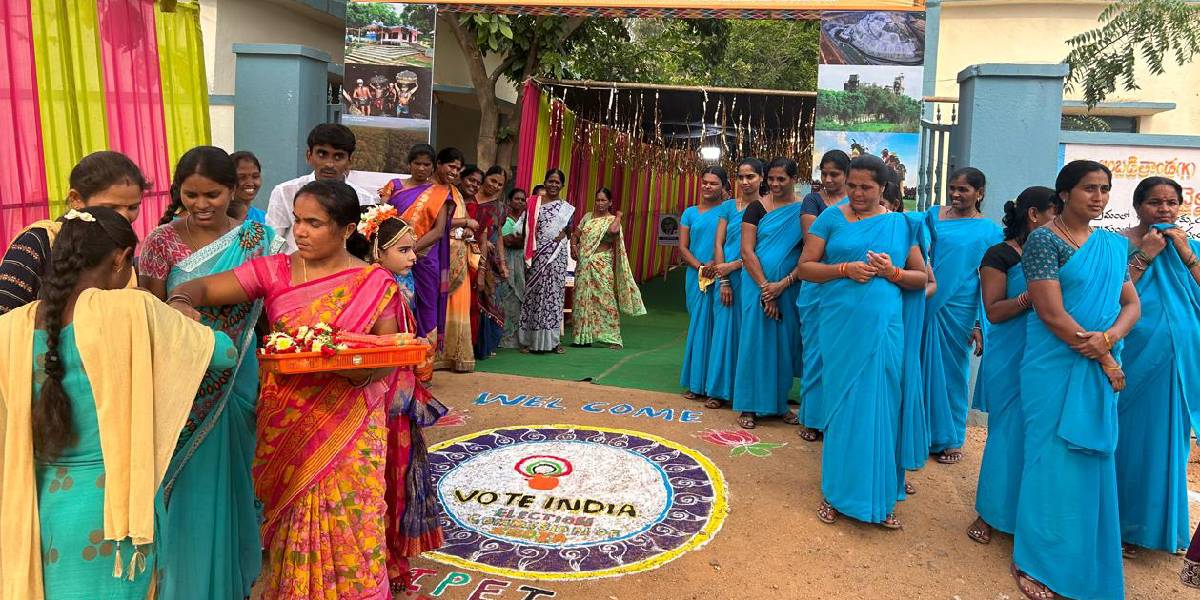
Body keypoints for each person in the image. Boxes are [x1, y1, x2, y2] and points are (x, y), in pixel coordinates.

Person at [165, 180, 413, 599]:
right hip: (288, 427)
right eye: (297, 220)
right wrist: (180, 302)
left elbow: (388, 354)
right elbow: (201, 288)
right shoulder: (275, 270)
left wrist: (360, 373)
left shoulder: (375, 283)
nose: (299, 231)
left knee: (352, 522)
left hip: (350, 429)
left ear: (346, 228)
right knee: (294, 524)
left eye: (314, 223)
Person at [0, 207, 236, 599]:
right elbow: (224, 355)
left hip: (39, 509)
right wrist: (182, 319)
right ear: (121, 258)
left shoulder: (11, 330)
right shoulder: (130, 310)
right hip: (113, 508)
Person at [139, 146, 279, 598]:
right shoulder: (160, 242)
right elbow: (152, 312)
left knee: (238, 472)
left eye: (212, 194)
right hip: (183, 379)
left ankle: (232, 578)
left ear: (234, 190)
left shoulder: (257, 239)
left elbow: (268, 313)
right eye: (190, 194)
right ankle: (186, 581)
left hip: (238, 375)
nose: (201, 204)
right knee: (186, 479)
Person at [1011, 160, 1139, 600]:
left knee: (1090, 458)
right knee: (1050, 458)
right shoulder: (1044, 240)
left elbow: (1131, 305)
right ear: (1064, 194)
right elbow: (1050, 313)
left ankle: (1085, 547)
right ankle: (1036, 559)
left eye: (1105, 189)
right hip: (1055, 365)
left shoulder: (1112, 245)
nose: (1099, 197)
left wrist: (1109, 339)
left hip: (1099, 358)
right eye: (1089, 188)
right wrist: (1105, 358)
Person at [796, 154, 927, 529]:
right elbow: (806, 267)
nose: (856, 193)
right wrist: (843, 269)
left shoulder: (900, 224)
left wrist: (893, 271)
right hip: (839, 325)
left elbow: (922, 279)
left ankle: (882, 496)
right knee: (843, 406)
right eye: (852, 185)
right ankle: (837, 493)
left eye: (866, 187)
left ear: (883, 187)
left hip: (885, 329)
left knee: (881, 406)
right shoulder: (830, 217)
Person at [351, 205, 447, 582]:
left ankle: (388, 562)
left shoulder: (387, 283)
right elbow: (388, 345)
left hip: (395, 392)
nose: (413, 256)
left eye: (412, 249)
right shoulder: (381, 286)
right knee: (391, 476)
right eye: (404, 250)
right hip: (389, 398)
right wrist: (417, 351)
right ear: (378, 250)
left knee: (394, 476)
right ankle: (387, 565)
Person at [967, 186, 1061, 546]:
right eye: (1055, 214)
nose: (1061, 222)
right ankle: (990, 513)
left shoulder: (1059, 251)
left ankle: (1030, 514)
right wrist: (1029, 296)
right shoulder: (1000, 255)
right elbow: (994, 311)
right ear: (1034, 215)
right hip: (1011, 353)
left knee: (1042, 436)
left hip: (1050, 352)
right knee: (1007, 434)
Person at [1115, 176, 1200, 556]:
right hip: (1133, 354)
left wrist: (1186, 254)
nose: (1164, 210)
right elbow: (1111, 290)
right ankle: (1120, 525)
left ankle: (1156, 528)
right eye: (1155, 203)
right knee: (1130, 437)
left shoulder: (1190, 247)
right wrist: (1146, 255)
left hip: (1180, 362)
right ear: (1137, 206)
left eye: (1171, 203)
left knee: (1169, 445)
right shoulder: (1117, 243)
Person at [922, 167, 1003, 464]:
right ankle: (918, 434)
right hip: (926, 301)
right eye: (952, 188)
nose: (956, 194)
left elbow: (990, 278)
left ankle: (949, 438)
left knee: (954, 373)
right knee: (920, 368)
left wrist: (981, 322)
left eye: (964, 190)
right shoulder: (932, 216)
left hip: (960, 309)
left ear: (979, 193)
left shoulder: (990, 231)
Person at [1, 151, 148, 315]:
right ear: (76, 199)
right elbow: (4, 318)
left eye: (133, 207)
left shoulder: (122, 249)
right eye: (111, 208)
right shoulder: (39, 241)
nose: (124, 217)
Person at [733, 158, 804, 429]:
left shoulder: (803, 210)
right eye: (771, 179)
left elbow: (809, 252)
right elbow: (746, 251)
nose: (774, 184)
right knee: (754, 342)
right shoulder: (756, 208)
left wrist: (782, 285)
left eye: (781, 179)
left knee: (783, 345)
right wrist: (767, 289)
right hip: (757, 285)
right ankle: (749, 406)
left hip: (788, 285)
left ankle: (778, 404)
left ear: (793, 179)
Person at [381, 145, 462, 382]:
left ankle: (422, 369)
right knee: (394, 305)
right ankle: (395, 366)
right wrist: (398, 253)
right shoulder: (394, 187)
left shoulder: (440, 193)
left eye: (427, 164)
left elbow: (438, 231)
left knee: (425, 306)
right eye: (417, 163)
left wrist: (407, 251)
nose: (422, 168)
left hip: (426, 259)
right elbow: (383, 220)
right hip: (394, 262)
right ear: (409, 163)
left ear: (433, 166)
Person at [796, 150, 851, 441]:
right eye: (824, 173)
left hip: (849, 287)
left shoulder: (857, 205)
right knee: (815, 351)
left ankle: (836, 416)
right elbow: (812, 242)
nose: (828, 180)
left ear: (847, 174)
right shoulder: (813, 200)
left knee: (841, 352)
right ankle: (813, 417)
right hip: (818, 284)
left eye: (835, 174)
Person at [703, 159, 762, 409]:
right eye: (741, 177)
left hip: (752, 276)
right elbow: (719, 243)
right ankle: (717, 390)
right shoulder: (728, 207)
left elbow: (760, 248)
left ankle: (745, 392)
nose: (745, 182)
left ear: (762, 178)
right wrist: (724, 278)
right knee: (723, 332)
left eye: (751, 177)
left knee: (748, 333)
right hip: (725, 278)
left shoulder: (766, 207)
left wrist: (737, 265)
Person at [265, 123, 377, 253]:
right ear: (309, 156)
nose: (329, 164)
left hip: (346, 271)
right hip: (294, 268)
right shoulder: (285, 192)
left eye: (338, 156)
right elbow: (273, 241)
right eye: (322, 154)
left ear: (350, 161)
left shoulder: (364, 199)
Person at [571, 187, 646, 347]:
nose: (600, 203)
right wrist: (573, 246)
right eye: (597, 200)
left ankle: (612, 338)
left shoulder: (612, 219)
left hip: (601, 263)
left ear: (610, 202)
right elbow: (576, 235)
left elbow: (613, 231)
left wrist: (618, 216)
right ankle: (583, 337)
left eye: (603, 200)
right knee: (582, 299)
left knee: (606, 299)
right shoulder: (587, 217)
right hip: (584, 262)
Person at [679, 167, 728, 401]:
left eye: (714, 183)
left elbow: (730, 241)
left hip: (721, 274)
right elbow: (682, 247)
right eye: (705, 182)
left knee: (718, 329)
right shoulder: (690, 213)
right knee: (698, 327)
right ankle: (695, 382)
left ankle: (714, 385)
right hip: (695, 275)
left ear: (724, 187)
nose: (708, 186)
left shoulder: (727, 211)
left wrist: (714, 265)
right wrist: (700, 267)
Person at [515, 169, 574, 353]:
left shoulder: (566, 208)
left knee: (554, 297)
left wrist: (560, 239)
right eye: (551, 181)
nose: (554, 185)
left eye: (557, 182)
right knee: (534, 295)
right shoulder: (533, 204)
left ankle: (553, 342)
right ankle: (529, 341)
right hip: (536, 255)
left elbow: (569, 231)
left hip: (557, 256)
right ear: (545, 182)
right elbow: (523, 230)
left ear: (562, 185)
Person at [436, 163, 479, 373]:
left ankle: (457, 356)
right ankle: (435, 358)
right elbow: (439, 221)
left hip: (460, 255)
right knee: (440, 305)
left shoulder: (459, 196)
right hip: (441, 255)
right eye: (471, 179)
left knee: (460, 305)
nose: (474, 185)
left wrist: (467, 233)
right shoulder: (441, 191)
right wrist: (467, 222)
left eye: (477, 183)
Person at [467, 166, 510, 359]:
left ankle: (483, 345)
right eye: (493, 181)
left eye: (500, 184)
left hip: (487, 258)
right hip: (463, 251)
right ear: (485, 178)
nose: (495, 186)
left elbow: (498, 235)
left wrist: (502, 263)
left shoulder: (499, 208)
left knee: (487, 297)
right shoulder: (468, 197)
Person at [498, 187, 533, 348]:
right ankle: (504, 338)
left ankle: (517, 338)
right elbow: (508, 241)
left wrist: (521, 240)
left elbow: (525, 241)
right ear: (509, 201)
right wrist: (521, 240)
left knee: (519, 297)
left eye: (522, 199)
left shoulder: (526, 220)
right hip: (508, 259)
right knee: (507, 296)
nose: (519, 202)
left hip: (520, 262)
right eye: (516, 199)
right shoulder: (505, 219)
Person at [228, 150, 267, 224]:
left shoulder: (265, 218)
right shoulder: (220, 217)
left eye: (255, 176)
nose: (250, 183)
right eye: (242, 177)